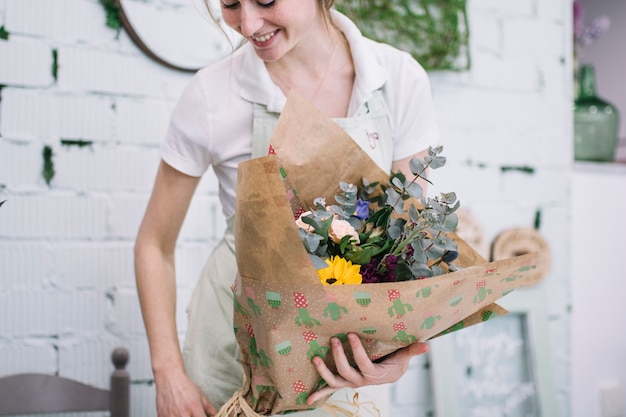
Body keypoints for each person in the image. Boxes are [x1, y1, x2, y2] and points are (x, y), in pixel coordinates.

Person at [134, 0, 440, 416]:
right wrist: (168, 374)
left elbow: (405, 252)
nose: (248, 23)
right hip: (231, 365)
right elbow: (154, 244)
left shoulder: (397, 80)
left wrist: (393, 356)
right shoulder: (212, 95)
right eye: (229, 4)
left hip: (346, 371)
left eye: (265, 0)